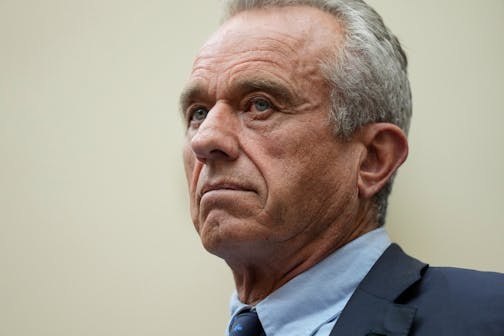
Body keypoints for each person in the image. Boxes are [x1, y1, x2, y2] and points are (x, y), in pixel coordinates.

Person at [179, 0, 504, 335]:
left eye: (260, 105)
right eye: (198, 113)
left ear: (373, 160)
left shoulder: (491, 316)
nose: (205, 140)